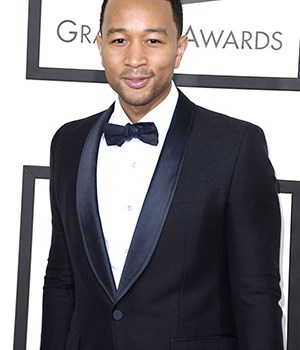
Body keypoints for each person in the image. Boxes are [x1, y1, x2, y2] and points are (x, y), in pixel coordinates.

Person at [40, 0, 284, 349]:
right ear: (99, 46)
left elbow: (256, 294)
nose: (135, 59)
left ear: (179, 48)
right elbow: (61, 280)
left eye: (153, 40)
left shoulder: (235, 146)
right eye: (119, 40)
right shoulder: (69, 143)